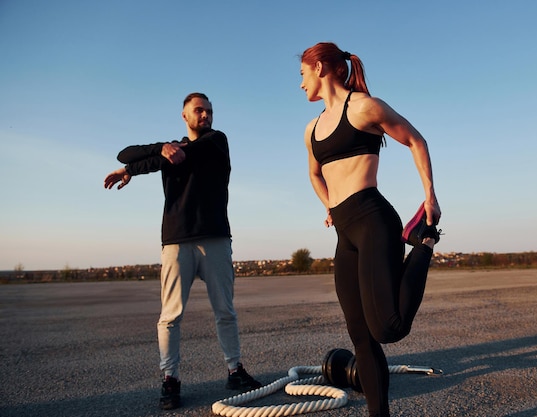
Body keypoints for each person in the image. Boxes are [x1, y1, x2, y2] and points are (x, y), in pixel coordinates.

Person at [300, 42, 442, 417]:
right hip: (345, 233)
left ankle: (424, 242)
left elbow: (415, 139)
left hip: (374, 221)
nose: (300, 85)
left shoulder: (363, 106)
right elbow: (314, 174)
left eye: (302, 74)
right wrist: (328, 203)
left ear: (319, 67)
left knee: (388, 328)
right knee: (360, 336)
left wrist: (429, 196)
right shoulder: (312, 129)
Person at [103, 92, 261, 410]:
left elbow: (169, 156)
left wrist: (136, 167)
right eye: (199, 111)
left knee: (225, 312)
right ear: (184, 115)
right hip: (176, 241)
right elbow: (125, 154)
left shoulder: (217, 141)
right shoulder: (170, 149)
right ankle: (170, 379)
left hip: (215, 238)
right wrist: (142, 161)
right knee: (170, 316)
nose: (205, 115)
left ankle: (235, 370)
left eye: (209, 111)